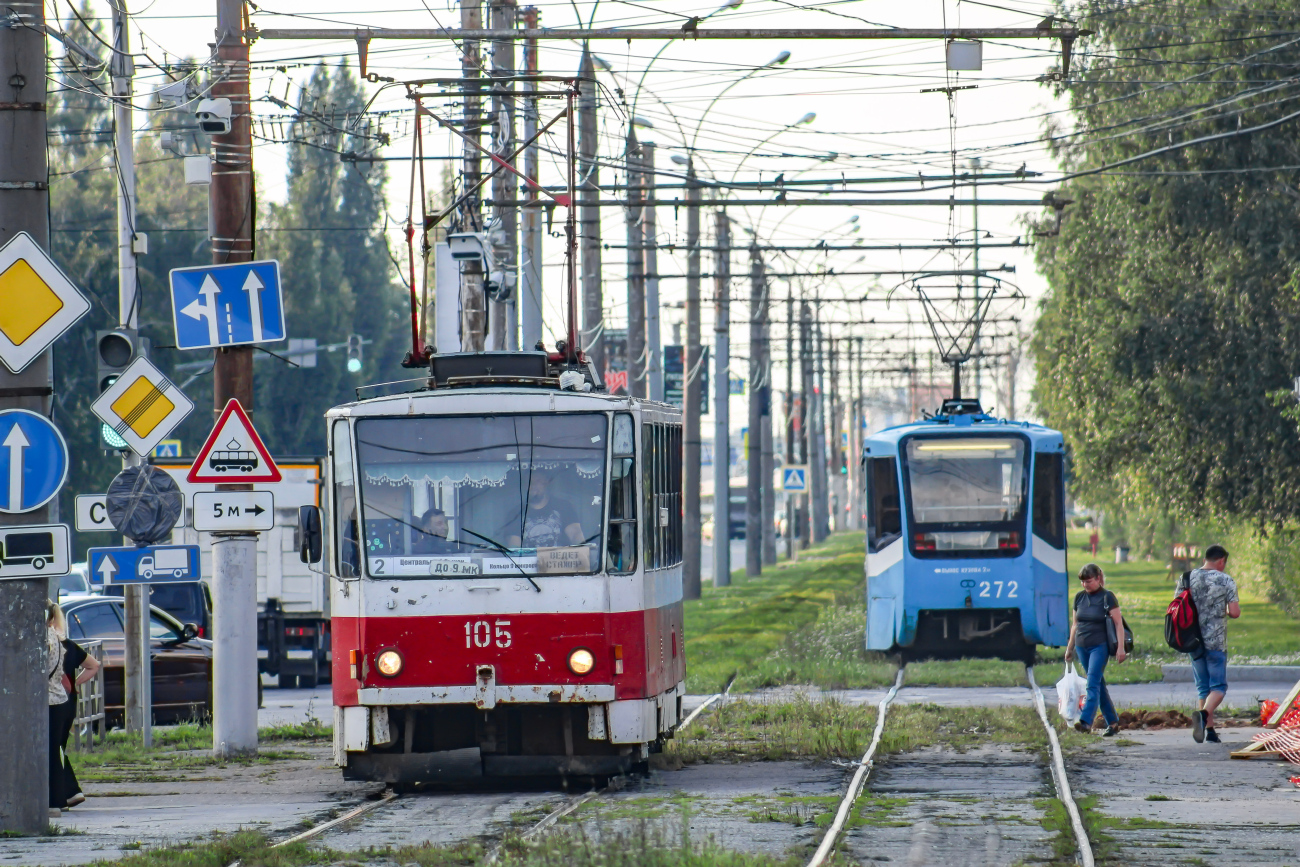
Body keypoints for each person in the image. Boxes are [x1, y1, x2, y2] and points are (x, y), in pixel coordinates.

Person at [1184, 544, 1240, 744]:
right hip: (1215, 640)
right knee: (1218, 687)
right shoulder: (1226, 580)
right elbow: (1234, 612)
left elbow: (1177, 605)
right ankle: (1203, 714)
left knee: (1203, 688)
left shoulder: (1187, 578)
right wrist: (1221, 609)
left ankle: (1210, 732)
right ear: (1222, 560)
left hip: (1192, 640)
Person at [1065, 563, 1127, 736]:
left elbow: (1118, 624)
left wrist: (1120, 648)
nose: (1085, 584)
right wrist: (1070, 648)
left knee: (1092, 683)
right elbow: (1075, 625)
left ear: (1098, 579)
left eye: (1089, 581)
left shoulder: (1107, 597)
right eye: (1083, 582)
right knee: (1098, 684)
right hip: (1081, 646)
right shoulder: (1079, 598)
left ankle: (1085, 722)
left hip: (1099, 646)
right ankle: (1113, 722)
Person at [57, 627, 100, 809]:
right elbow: (94, 665)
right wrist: (75, 683)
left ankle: (68, 792)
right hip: (69, 701)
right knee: (58, 746)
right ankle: (66, 794)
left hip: (53, 701)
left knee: (52, 749)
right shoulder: (67, 645)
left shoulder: (46, 646)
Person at [508, 471, 584, 548]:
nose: (533, 485)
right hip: (529, 560)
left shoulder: (564, 507)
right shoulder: (516, 514)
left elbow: (575, 534)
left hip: (561, 559)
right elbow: (514, 548)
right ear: (524, 486)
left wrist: (583, 552)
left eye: (538, 481)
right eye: (529, 482)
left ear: (546, 483)